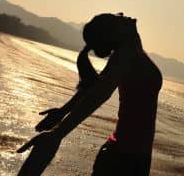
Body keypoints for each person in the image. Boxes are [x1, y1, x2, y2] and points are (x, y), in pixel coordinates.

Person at [17, 13, 163, 175]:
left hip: (131, 156)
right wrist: (58, 134)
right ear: (114, 32)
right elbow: (99, 94)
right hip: (123, 159)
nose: (126, 17)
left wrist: (63, 111)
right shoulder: (125, 55)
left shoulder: (132, 51)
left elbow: (95, 87)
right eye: (119, 18)